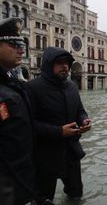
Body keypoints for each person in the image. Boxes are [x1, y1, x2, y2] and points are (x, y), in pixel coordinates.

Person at [26, 47, 92, 201]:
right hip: (45, 155)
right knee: (44, 198)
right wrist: (58, 131)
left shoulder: (71, 86)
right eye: (60, 63)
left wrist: (84, 120)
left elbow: (80, 110)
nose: (65, 66)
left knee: (76, 194)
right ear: (49, 64)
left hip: (71, 152)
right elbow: (29, 124)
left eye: (68, 63)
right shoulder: (32, 88)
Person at [0, 17, 35, 205]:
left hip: (20, 182)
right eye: (14, 44)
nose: (21, 49)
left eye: (21, 43)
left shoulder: (12, 82)